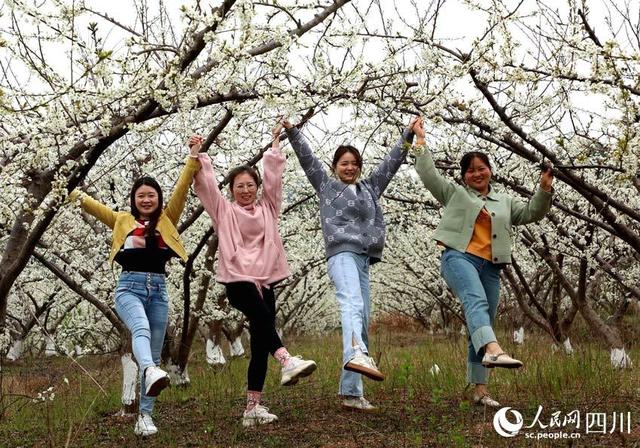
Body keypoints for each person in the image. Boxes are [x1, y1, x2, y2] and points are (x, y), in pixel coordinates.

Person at [411, 116, 554, 407]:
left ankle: (480, 390)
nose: (477, 174)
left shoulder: (504, 202)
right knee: (475, 302)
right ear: (464, 176)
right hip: (458, 257)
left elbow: (530, 214)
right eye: (471, 171)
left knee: (484, 319)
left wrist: (544, 189)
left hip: (491, 266)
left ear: (490, 171)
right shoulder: (455, 194)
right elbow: (429, 176)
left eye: (482, 169)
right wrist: (421, 142)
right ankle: (494, 349)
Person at [69, 141, 202, 436]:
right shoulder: (121, 220)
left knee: (152, 355)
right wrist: (67, 185)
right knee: (139, 330)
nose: (145, 200)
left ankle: (145, 417)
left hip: (159, 290)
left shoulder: (167, 219)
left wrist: (192, 159)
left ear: (158, 198)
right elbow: (89, 204)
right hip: (129, 286)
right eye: (140, 195)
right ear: (133, 199)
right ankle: (151, 371)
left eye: (151, 195)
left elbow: (181, 188)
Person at [283, 117, 416, 412]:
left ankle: (351, 392)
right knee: (352, 305)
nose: (350, 167)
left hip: (363, 259)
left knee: (362, 318)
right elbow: (307, 158)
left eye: (354, 163)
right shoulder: (327, 187)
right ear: (334, 167)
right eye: (344, 162)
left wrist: (408, 134)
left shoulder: (369, 188)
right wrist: (292, 131)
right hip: (341, 254)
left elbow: (392, 162)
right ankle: (356, 353)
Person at [191, 126, 317, 428]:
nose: (245, 190)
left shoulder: (267, 209)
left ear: (257, 187)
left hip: (265, 282)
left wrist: (274, 147)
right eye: (239, 186)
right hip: (238, 280)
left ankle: (252, 408)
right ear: (231, 189)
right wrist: (198, 157)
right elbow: (207, 186)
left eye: (250, 185)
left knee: (261, 342)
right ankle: (287, 360)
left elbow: (275, 179)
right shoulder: (224, 212)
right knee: (264, 324)